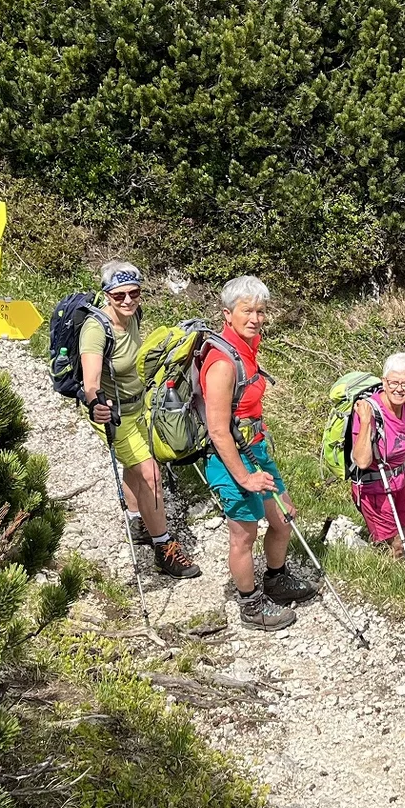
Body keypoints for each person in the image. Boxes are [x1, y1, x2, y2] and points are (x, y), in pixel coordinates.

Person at [200, 275, 315, 630]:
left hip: (255, 447)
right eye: (246, 310)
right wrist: (245, 477)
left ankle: (276, 580)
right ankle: (250, 606)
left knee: (283, 518)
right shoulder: (222, 363)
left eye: (260, 311)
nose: (255, 318)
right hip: (228, 458)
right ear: (227, 314)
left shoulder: (248, 347)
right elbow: (218, 430)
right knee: (244, 534)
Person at [81, 261, 200, 579]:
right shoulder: (96, 330)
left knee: (136, 468)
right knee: (151, 474)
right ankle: (164, 547)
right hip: (112, 413)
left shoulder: (134, 316)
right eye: (119, 295)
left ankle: (137, 521)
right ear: (107, 294)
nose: (128, 301)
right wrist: (95, 402)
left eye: (134, 293)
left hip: (139, 406)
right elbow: (90, 379)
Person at [349, 352, 405, 558]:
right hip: (374, 487)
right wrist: (367, 421)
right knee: (394, 542)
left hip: (399, 482)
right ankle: (387, 581)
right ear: (383, 382)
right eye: (394, 382)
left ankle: (393, 572)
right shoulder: (369, 411)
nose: (399, 389)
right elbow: (361, 461)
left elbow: (401, 441)